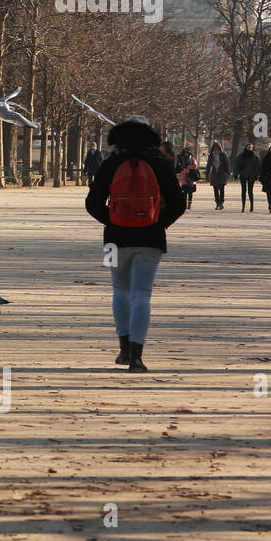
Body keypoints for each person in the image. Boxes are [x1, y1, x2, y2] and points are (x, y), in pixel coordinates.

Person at [85, 116, 186, 373]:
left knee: (119, 290)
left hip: (114, 239)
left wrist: (112, 221)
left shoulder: (111, 163)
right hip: (151, 239)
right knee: (142, 294)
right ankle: (137, 358)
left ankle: (123, 348)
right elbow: (178, 203)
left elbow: (92, 203)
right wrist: (157, 223)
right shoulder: (160, 164)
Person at [233, 142, 259, 212]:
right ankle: (243, 207)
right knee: (243, 191)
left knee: (250, 191)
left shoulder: (255, 157)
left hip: (251, 176)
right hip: (243, 175)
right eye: (248, 147)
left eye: (251, 147)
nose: (250, 148)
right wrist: (235, 174)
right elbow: (237, 166)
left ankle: (251, 207)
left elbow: (257, 167)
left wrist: (257, 175)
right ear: (246, 148)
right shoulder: (241, 156)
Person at [205, 141, 229, 210]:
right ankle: (217, 203)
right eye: (214, 147)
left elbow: (227, 165)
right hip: (214, 174)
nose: (215, 149)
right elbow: (208, 165)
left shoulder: (223, 155)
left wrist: (227, 173)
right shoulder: (211, 155)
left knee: (221, 189)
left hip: (222, 174)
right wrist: (207, 173)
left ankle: (221, 203)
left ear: (219, 148)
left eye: (217, 147)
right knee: (215, 190)